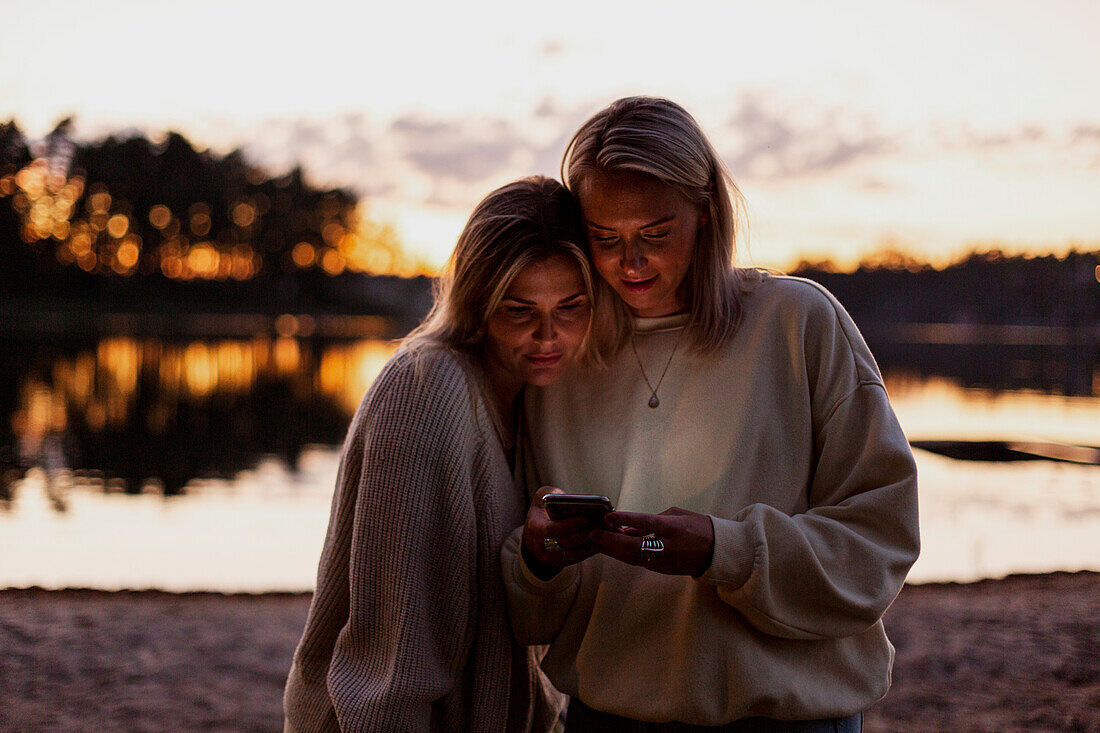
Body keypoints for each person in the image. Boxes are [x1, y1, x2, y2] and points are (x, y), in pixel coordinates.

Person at [500, 97, 920, 731]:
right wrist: (537, 559)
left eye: (656, 234)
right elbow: (527, 614)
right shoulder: (559, 364)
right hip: (605, 718)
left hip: (790, 721)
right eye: (605, 239)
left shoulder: (797, 323)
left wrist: (726, 551)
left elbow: (880, 543)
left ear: (705, 212)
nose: (630, 262)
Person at [284, 176, 606, 732]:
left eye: (571, 307)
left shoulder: (531, 401)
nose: (547, 335)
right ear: (478, 302)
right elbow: (388, 673)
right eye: (518, 310)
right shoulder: (425, 391)